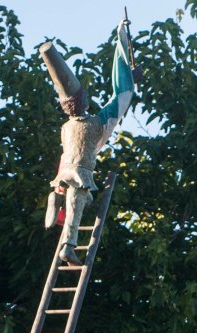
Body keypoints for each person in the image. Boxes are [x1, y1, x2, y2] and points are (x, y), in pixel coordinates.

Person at [40, 21, 138, 266]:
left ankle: (56, 196)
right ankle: (69, 245)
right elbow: (121, 98)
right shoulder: (96, 123)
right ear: (83, 100)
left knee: (81, 196)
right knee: (80, 199)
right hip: (81, 170)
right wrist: (128, 72)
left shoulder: (66, 127)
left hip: (64, 170)